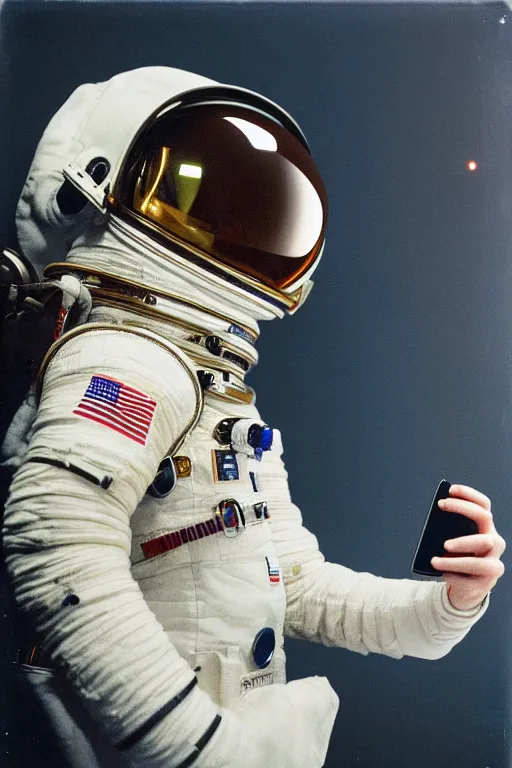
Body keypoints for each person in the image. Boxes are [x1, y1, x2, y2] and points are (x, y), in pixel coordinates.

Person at [1, 66, 506, 768]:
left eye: (248, 211)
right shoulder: (128, 359)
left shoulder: (205, 382)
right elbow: (58, 545)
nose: (224, 228)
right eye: (191, 201)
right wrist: (200, 750)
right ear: (96, 183)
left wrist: (445, 605)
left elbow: (291, 583)